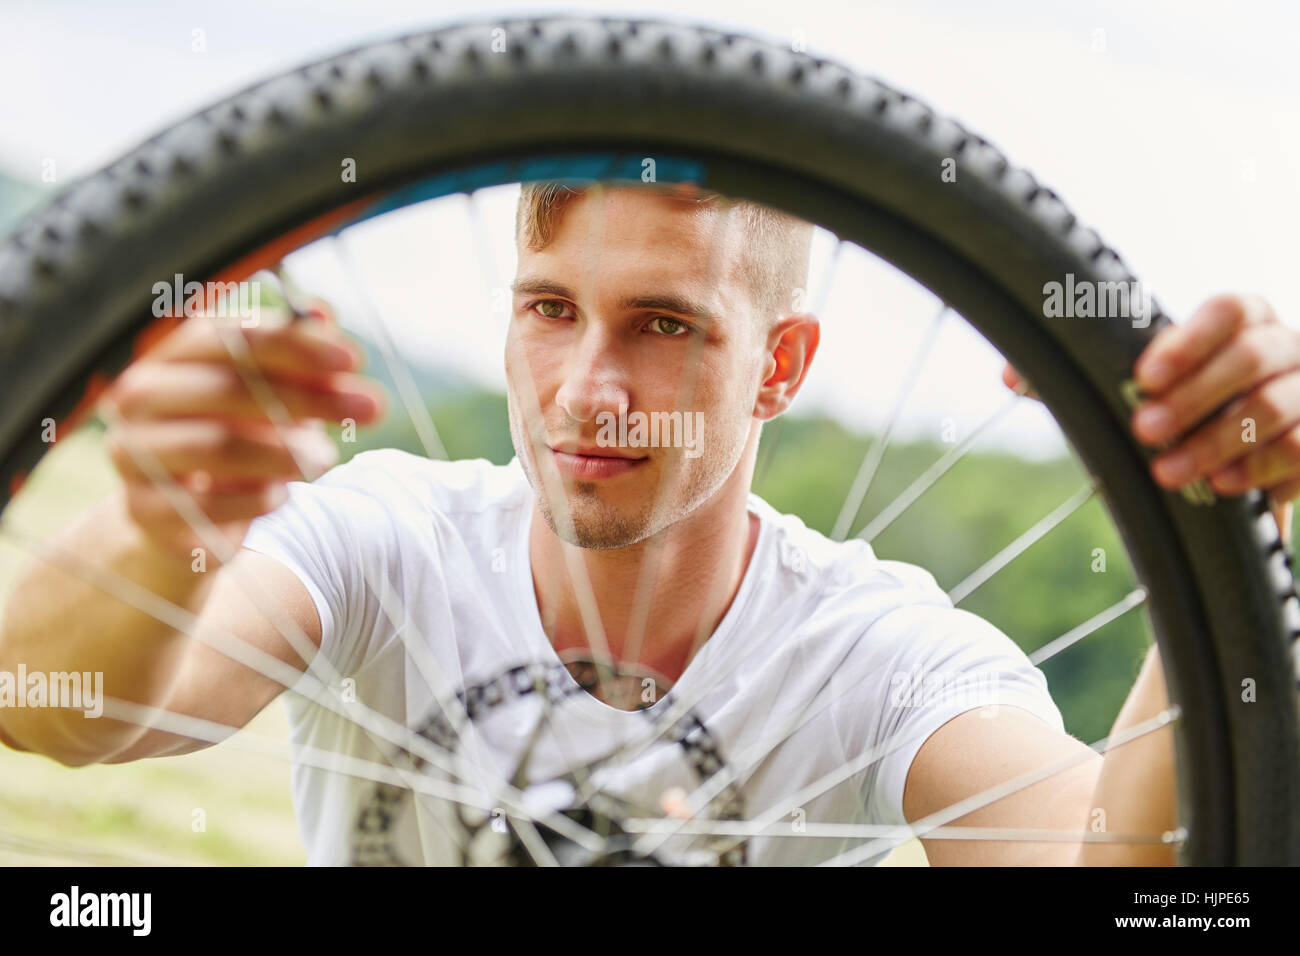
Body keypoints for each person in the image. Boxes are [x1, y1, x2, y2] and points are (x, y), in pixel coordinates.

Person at [0, 180, 1293, 866]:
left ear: (779, 367)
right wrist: (157, 515)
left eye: (664, 326)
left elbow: (1122, 884)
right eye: (550, 308)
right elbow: (50, 710)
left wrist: (1231, 527)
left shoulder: (876, 650)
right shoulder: (387, 534)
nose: (587, 389)